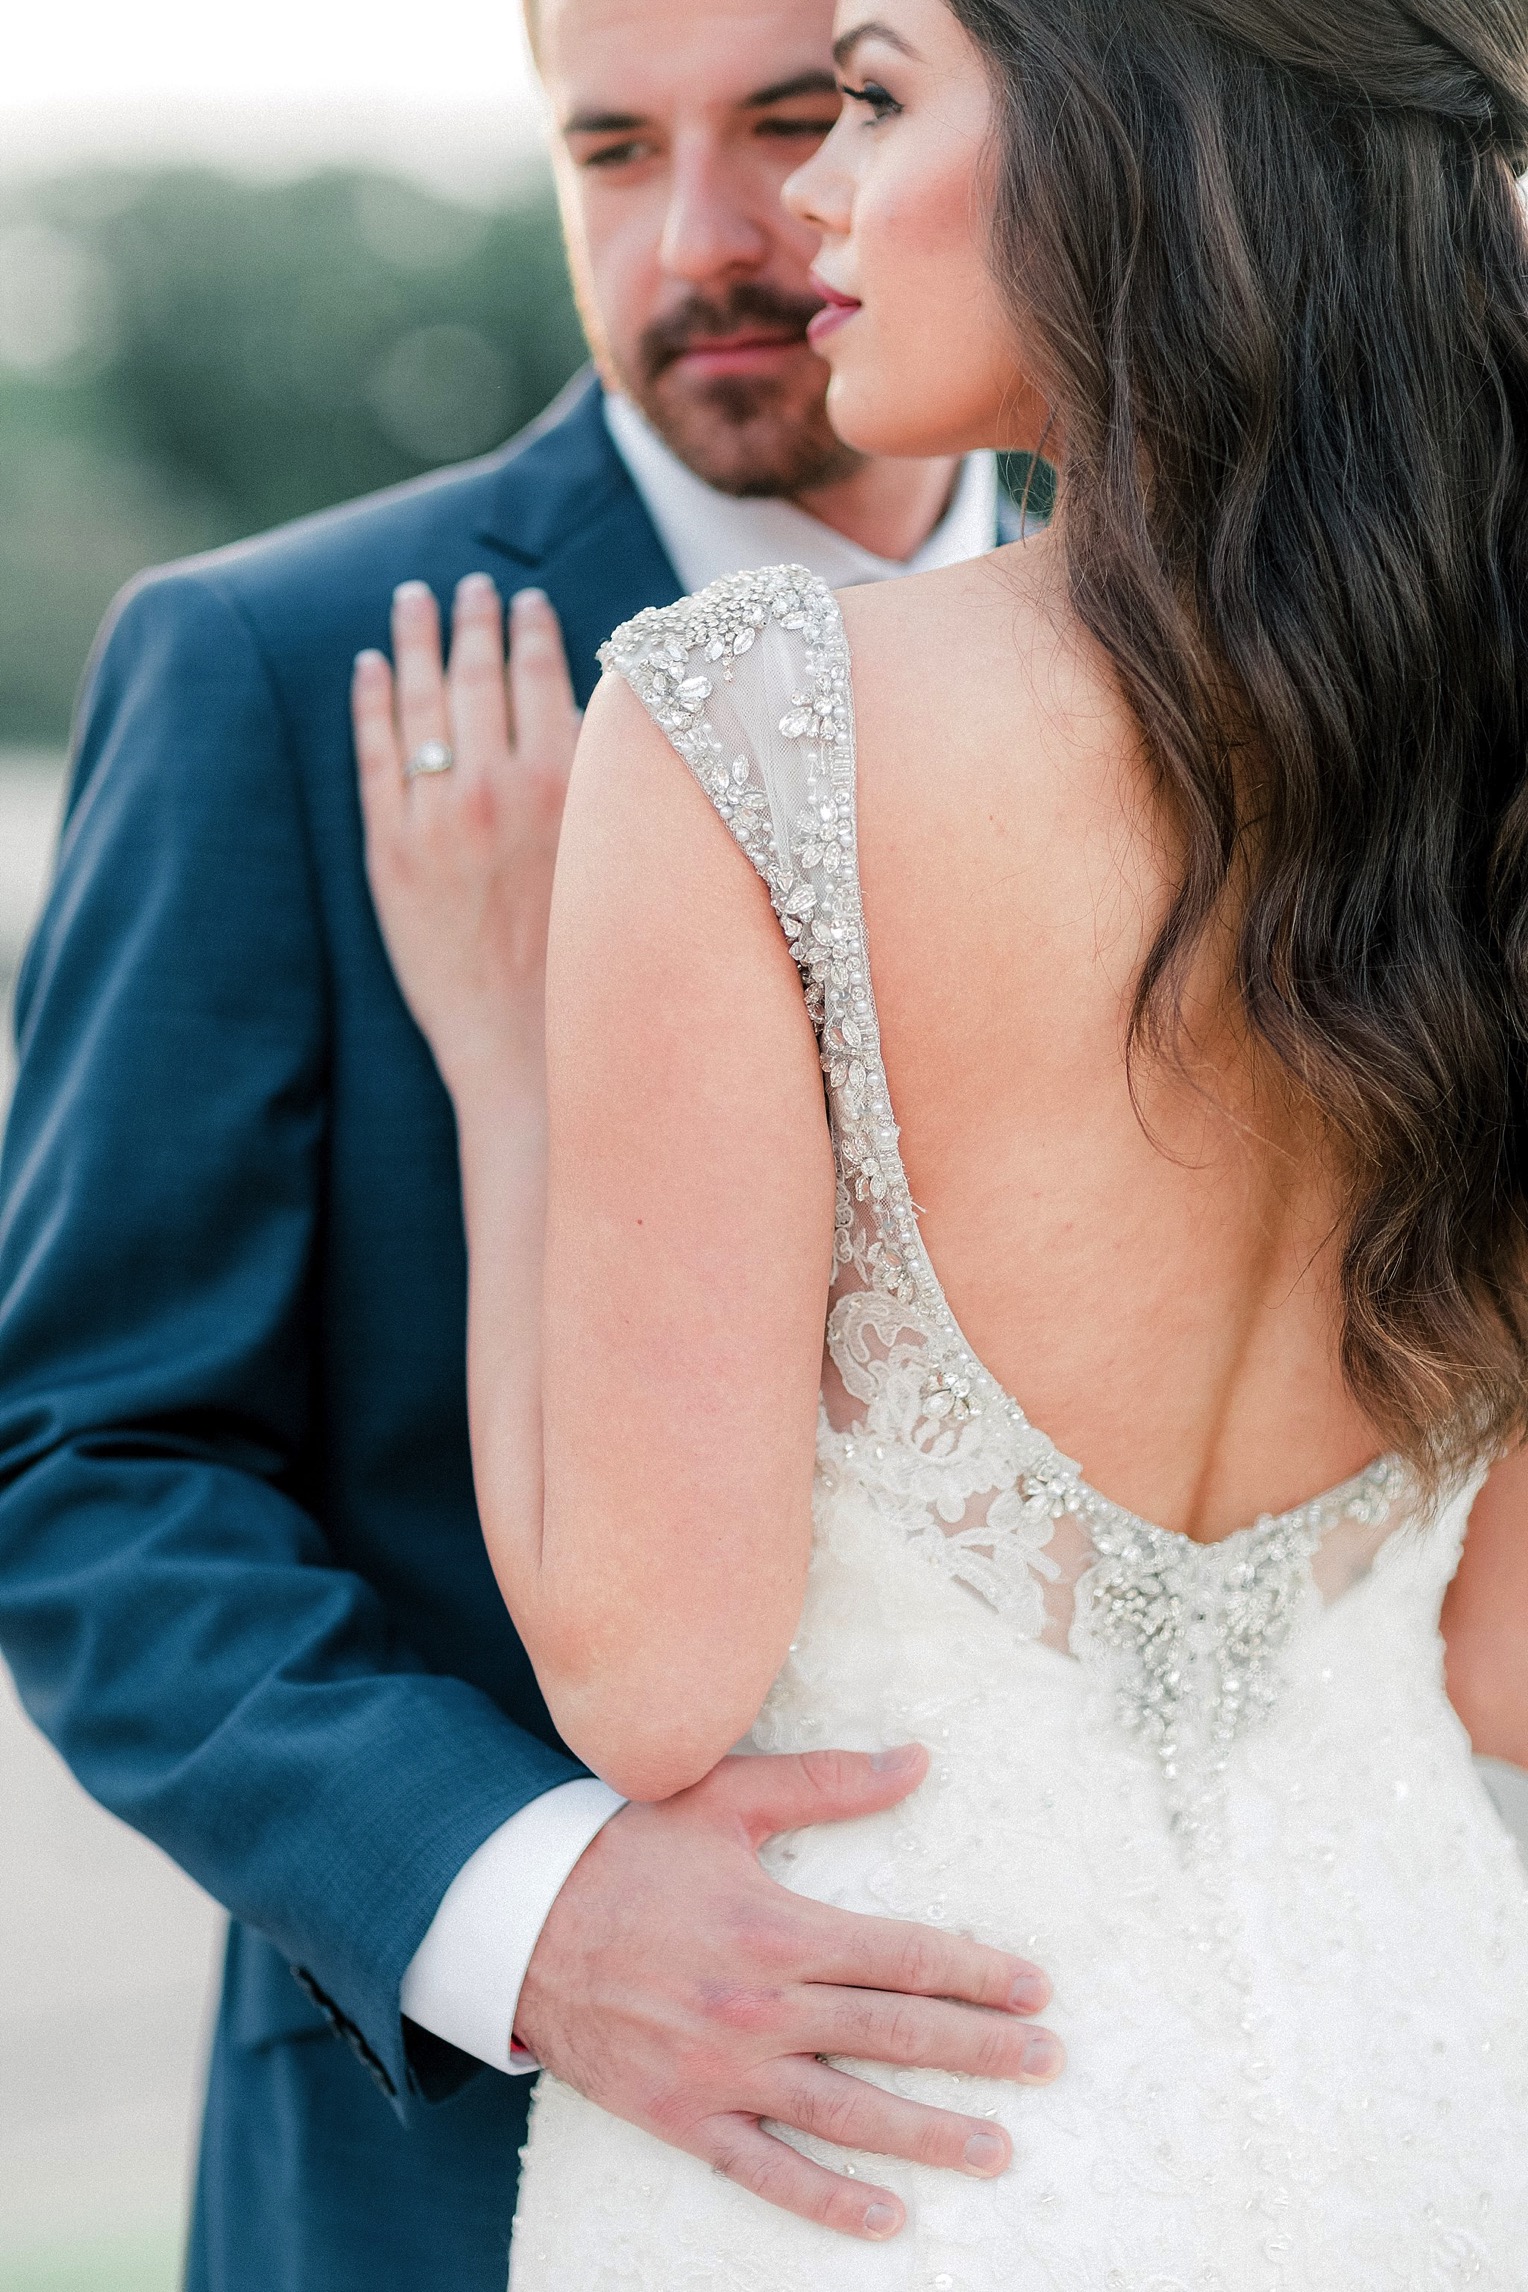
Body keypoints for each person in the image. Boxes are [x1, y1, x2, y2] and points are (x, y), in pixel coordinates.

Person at [355, 0, 1528, 2279]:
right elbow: (1499, 1677)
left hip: (893, 2147)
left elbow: (647, 1676)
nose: (808, 193)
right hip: (1426, 2109)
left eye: (870, 94)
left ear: (1124, 141)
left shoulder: (753, 718)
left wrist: (506, 1062)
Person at [0, 3, 1044, 2286]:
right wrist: (518, 1903)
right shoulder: (272, 666)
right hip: (470, 2178)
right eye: (603, 152)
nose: (699, 241)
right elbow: (87, 1463)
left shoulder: (1233, 644)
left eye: (796, 122)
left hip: (1107, 2098)